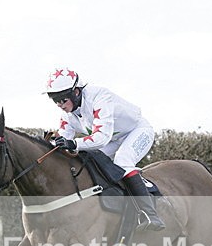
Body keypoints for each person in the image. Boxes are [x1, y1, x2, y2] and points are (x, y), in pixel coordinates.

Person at [45, 67, 165, 231]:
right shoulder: (67, 114)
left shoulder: (100, 97)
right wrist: (51, 145)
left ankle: (150, 215)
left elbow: (101, 137)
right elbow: (63, 141)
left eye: (62, 99)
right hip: (113, 138)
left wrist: (74, 143)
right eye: (55, 100)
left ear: (76, 92)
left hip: (136, 131)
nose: (60, 105)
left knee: (122, 161)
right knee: (87, 161)